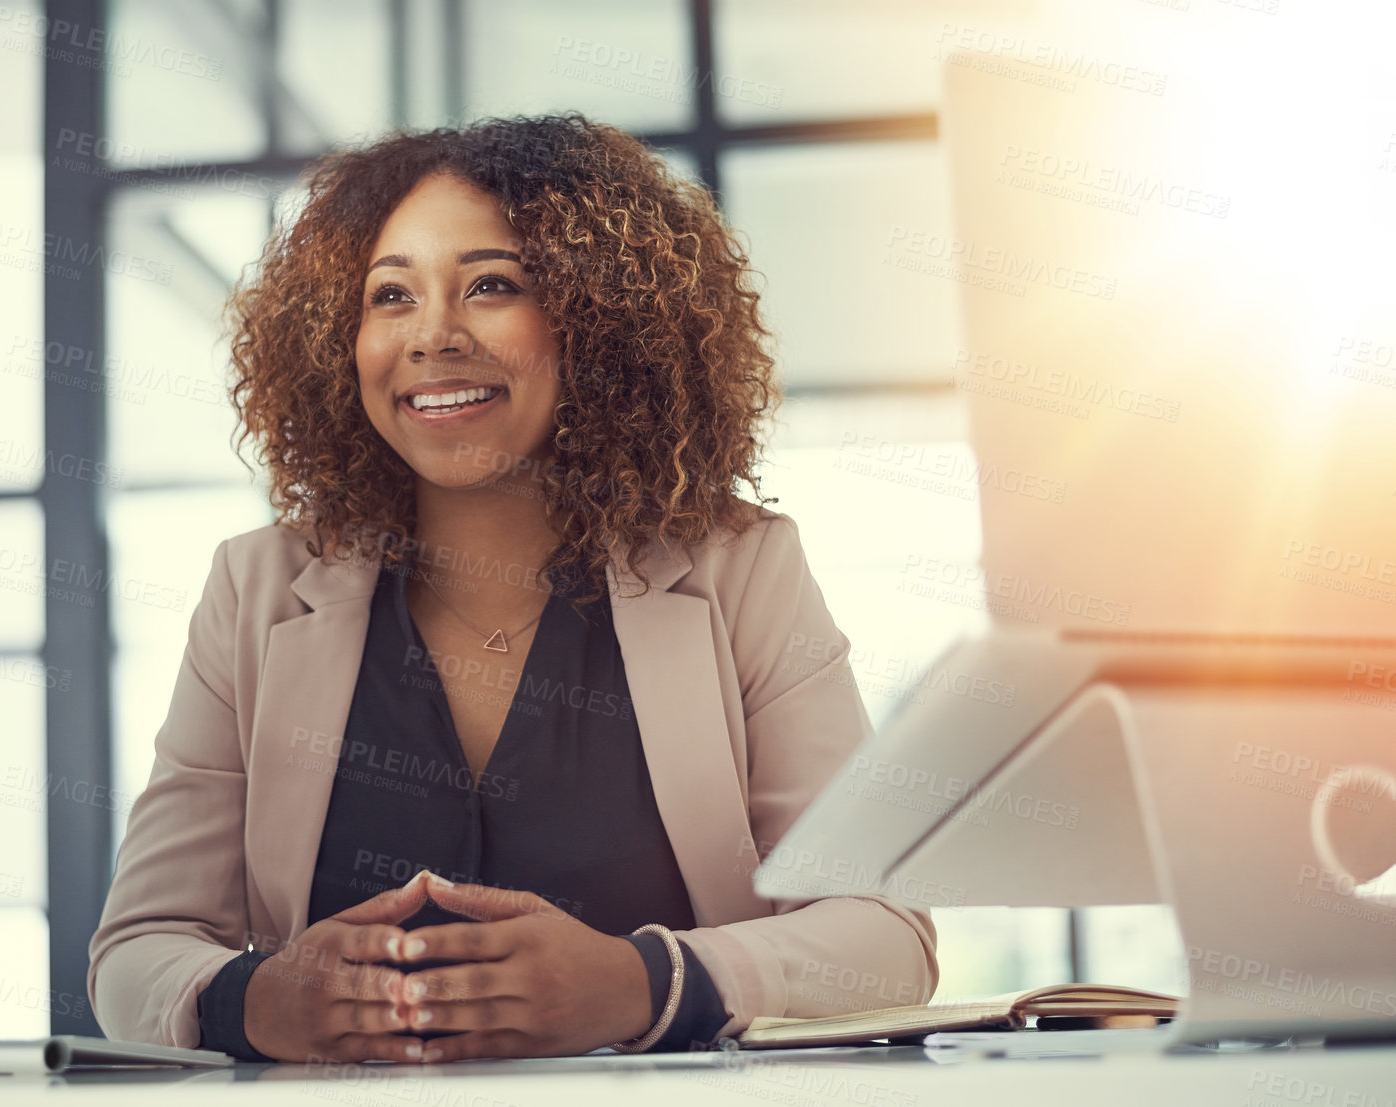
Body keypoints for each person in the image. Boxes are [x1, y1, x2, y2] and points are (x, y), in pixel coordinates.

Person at [87, 112, 938, 1064]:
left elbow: (885, 938)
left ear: (598, 319)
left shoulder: (742, 569)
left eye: (492, 285)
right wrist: (251, 1000)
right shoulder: (256, 589)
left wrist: (644, 984)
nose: (433, 335)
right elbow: (137, 950)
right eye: (390, 296)